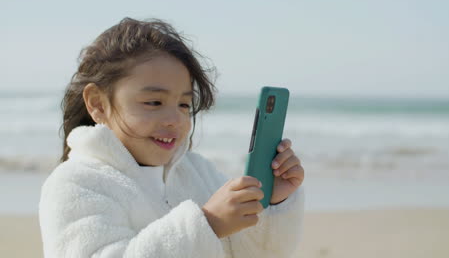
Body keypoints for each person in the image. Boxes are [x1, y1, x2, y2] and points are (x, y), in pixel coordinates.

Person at [38, 17, 305, 258]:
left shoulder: (198, 172)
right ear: (97, 104)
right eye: (154, 102)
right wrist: (207, 224)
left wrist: (272, 203)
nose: (175, 120)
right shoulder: (76, 184)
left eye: (184, 105)